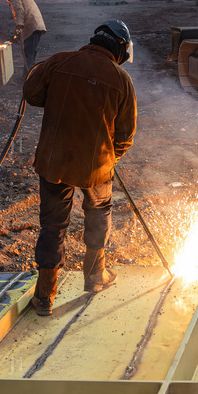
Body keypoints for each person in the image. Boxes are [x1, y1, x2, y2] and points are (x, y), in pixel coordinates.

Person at [22, 20, 137, 316]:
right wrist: (109, 156)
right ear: (120, 49)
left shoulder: (59, 61)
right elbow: (126, 135)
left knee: (53, 226)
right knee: (99, 213)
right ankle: (95, 275)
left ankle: (45, 296)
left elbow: (32, 95)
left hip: (53, 161)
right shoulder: (121, 79)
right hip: (96, 166)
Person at [0, 0, 47, 76]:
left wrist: (19, 26)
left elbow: (19, 11)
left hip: (31, 27)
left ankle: (28, 77)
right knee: (31, 53)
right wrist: (17, 37)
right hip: (37, 26)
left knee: (28, 54)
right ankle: (29, 74)